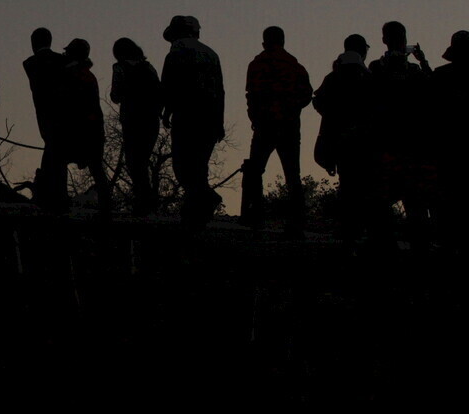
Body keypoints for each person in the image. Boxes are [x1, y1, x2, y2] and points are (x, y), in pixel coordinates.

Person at [240, 26, 313, 231]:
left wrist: (255, 115)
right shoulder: (294, 66)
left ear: (264, 42)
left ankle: (254, 217)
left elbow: (251, 94)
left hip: (265, 125)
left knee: (255, 171)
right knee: (292, 174)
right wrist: (292, 109)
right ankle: (297, 222)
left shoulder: (257, 65)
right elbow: (307, 94)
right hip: (289, 126)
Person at [367, 21, 434, 244]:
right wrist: (422, 61)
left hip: (387, 145)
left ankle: (387, 247)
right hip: (410, 146)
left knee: (384, 200)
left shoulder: (376, 68)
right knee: (414, 202)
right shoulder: (413, 72)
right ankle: (418, 247)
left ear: (384, 40)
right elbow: (434, 90)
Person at [160, 15, 225, 229]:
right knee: (199, 166)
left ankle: (203, 202)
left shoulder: (177, 51)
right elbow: (220, 91)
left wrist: (167, 110)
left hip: (187, 117)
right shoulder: (211, 54)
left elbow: (169, 84)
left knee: (183, 166)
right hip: (209, 119)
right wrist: (219, 121)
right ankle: (197, 212)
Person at [312, 34, 374, 250]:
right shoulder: (366, 77)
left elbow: (318, 101)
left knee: (347, 183)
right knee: (361, 185)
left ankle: (348, 228)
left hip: (337, 140)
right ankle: (356, 228)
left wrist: (332, 119)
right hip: (361, 140)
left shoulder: (333, 77)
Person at [58, 38, 111, 217]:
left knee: (61, 160)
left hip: (78, 129)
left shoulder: (72, 74)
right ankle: (106, 204)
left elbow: (68, 103)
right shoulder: (87, 74)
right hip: (92, 128)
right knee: (96, 167)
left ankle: (62, 201)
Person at [110, 37, 162, 216]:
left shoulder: (120, 68)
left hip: (132, 120)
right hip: (151, 121)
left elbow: (115, 95)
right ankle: (148, 202)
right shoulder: (149, 68)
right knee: (142, 161)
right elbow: (159, 93)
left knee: (135, 163)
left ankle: (143, 203)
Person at [430, 30, 469, 253]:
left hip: (446, 153)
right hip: (449, 153)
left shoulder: (439, 77)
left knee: (447, 210)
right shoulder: (440, 77)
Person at [23, 27, 69, 211]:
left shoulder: (30, 63)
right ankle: (59, 194)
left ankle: (53, 195)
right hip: (63, 113)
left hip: (44, 114)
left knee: (53, 151)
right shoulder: (62, 61)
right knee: (59, 153)